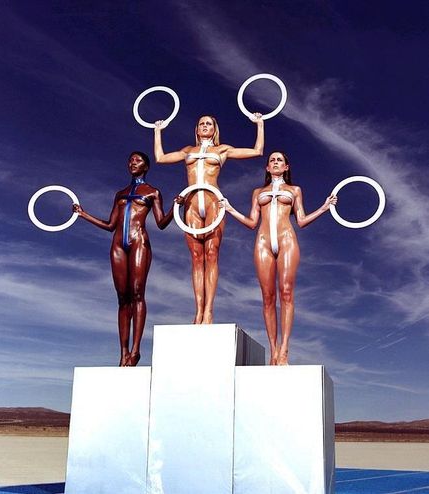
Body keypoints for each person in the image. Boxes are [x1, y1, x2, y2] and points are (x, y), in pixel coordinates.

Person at [224, 151, 337, 365]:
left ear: (286, 167)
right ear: (267, 168)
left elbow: (301, 221)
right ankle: (273, 351)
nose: (275, 162)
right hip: (263, 242)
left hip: (287, 240)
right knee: (268, 297)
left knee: (286, 292)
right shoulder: (258, 192)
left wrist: (324, 208)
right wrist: (229, 209)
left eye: (279, 160)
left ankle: (284, 349)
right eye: (272, 160)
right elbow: (252, 223)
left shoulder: (295, 190)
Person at [154, 114, 264, 324]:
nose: (205, 126)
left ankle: (209, 312)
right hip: (192, 204)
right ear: (196, 129)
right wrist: (158, 130)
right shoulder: (188, 150)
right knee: (197, 257)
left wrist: (260, 124)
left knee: (211, 255)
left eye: (209, 124)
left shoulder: (222, 150)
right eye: (201, 124)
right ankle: (198, 311)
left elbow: (257, 151)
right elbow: (160, 157)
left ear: (215, 129)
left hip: (213, 202)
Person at [73, 151, 177, 366]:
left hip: (139, 242)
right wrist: (83, 214)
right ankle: (123, 353)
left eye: (137, 160)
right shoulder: (119, 193)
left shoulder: (153, 192)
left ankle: (136, 351)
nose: (132, 163)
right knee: (122, 298)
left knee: (137, 293)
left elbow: (161, 223)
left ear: (146, 166)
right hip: (118, 245)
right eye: (130, 160)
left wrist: (177, 206)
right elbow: (110, 225)